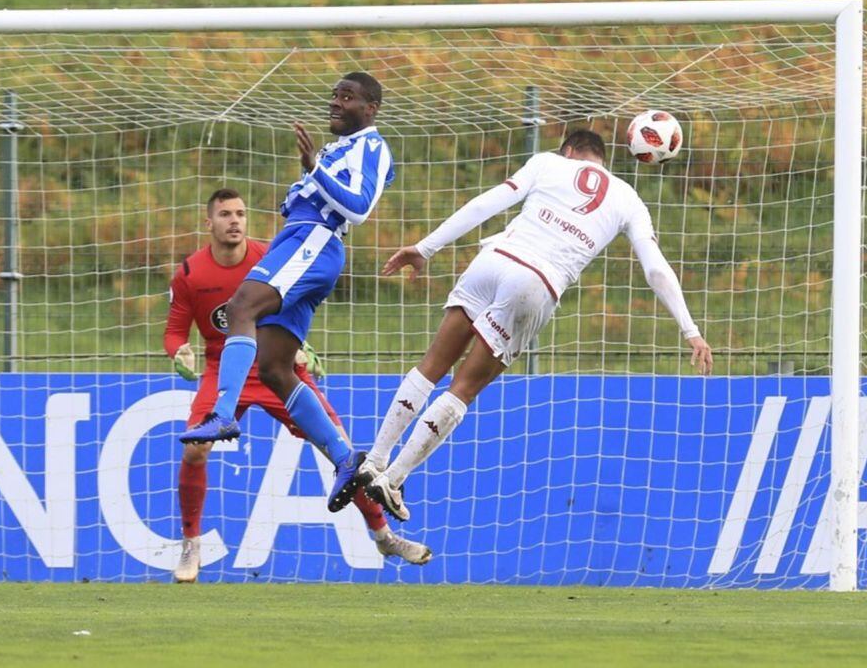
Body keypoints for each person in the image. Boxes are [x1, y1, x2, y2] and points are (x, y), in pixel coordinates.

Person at [338, 129, 713, 520]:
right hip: (537, 282)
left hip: (494, 258)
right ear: (600, 159)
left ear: (567, 151)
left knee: (431, 364)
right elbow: (655, 268)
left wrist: (426, 247)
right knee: (463, 387)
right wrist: (691, 330)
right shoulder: (629, 200)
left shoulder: (547, 163)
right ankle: (393, 479)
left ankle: (374, 459)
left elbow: (487, 203)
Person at [166, 188, 430, 581]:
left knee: (340, 451)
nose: (235, 220)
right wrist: (180, 351)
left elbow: (293, 305)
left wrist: (304, 346)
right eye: (225, 214)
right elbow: (173, 331)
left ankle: (384, 536)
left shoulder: (269, 256)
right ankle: (191, 547)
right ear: (209, 223)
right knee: (195, 450)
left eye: (240, 213)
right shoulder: (190, 273)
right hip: (226, 372)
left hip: (279, 366)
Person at [180, 72, 394, 516]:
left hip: (314, 241)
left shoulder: (372, 146)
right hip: (297, 240)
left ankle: (222, 415)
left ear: (370, 109)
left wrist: (313, 170)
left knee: (241, 306)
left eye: (348, 97)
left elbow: (358, 208)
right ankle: (343, 457)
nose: (336, 102)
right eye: (333, 95)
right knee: (276, 368)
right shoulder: (341, 149)